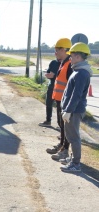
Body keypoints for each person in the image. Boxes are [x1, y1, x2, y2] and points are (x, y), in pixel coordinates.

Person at [60, 42, 92, 172]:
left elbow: (76, 95)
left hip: (74, 110)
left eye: (72, 56)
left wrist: (68, 111)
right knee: (71, 135)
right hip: (72, 110)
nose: (70, 59)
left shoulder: (81, 73)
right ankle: (73, 159)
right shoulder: (78, 71)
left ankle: (75, 164)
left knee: (74, 137)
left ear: (78, 57)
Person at [45, 38, 73, 161]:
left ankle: (65, 150)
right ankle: (61, 145)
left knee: (65, 127)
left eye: (57, 50)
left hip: (65, 102)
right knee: (61, 125)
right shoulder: (62, 62)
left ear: (64, 50)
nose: (55, 52)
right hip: (59, 99)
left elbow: (71, 86)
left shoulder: (69, 64)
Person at [38, 58, 60, 127]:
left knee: (60, 106)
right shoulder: (53, 62)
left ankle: (60, 125)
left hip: (61, 88)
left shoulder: (66, 63)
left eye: (58, 50)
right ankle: (48, 121)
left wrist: (54, 75)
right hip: (52, 86)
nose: (56, 53)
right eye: (56, 51)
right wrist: (48, 75)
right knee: (48, 103)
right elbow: (48, 72)